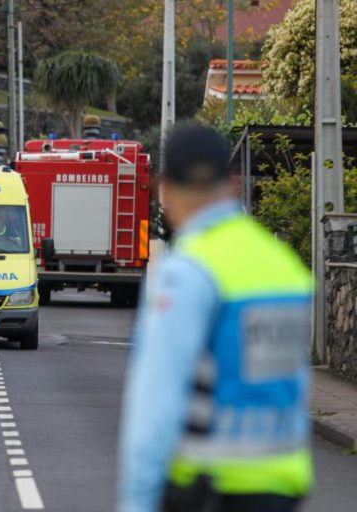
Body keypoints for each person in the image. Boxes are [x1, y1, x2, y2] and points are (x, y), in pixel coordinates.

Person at [117, 125, 313, 512]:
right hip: (282, 483)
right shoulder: (285, 266)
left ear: (167, 191)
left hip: (210, 488)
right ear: (232, 184)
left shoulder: (187, 273)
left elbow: (156, 406)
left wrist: (138, 502)